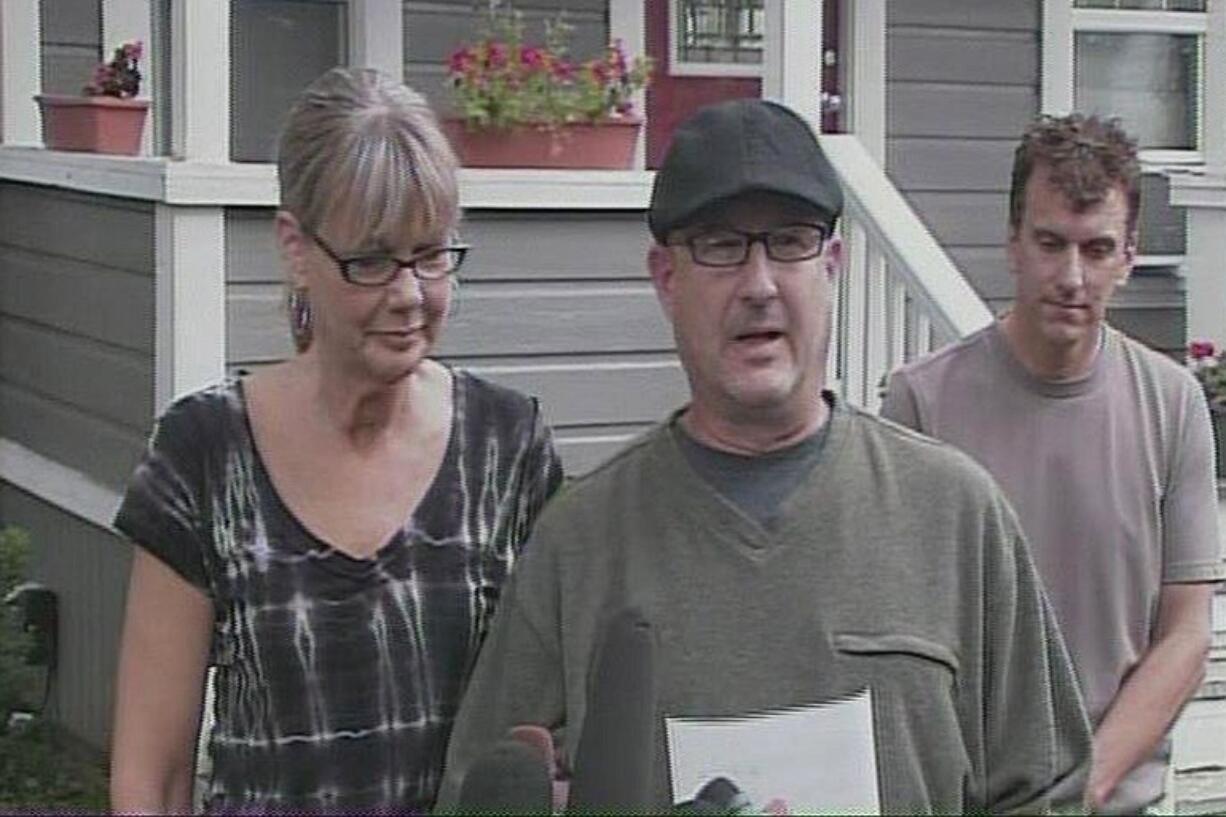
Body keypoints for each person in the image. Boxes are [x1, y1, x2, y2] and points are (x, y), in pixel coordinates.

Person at [436, 98, 1091, 814]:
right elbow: (481, 786)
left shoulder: (958, 517)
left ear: (832, 266)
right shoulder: (577, 546)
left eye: (789, 241)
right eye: (719, 245)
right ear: (666, 279)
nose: (758, 283)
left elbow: (1046, 785)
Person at [108, 67, 563, 814]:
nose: (410, 294)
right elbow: (149, 779)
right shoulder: (204, 454)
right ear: (295, 247)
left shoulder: (506, 449)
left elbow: (550, 726)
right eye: (373, 260)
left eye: (431, 254)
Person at [881, 113, 1225, 814]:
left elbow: (1186, 633)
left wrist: (1080, 786)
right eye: (1050, 244)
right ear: (1012, 243)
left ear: (1128, 257)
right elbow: (895, 632)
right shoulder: (922, 401)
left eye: (1097, 249)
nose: (1072, 276)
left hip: (1115, 797)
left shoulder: (1174, 405)